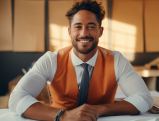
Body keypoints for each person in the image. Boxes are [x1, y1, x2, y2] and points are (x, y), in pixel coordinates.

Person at [9, 0, 153, 121]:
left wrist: (99, 109)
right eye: (78, 27)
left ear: (100, 31)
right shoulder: (51, 60)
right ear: (70, 32)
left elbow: (145, 98)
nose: (84, 33)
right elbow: (16, 98)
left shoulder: (116, 60)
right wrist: (64, 115)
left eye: (91, 27)